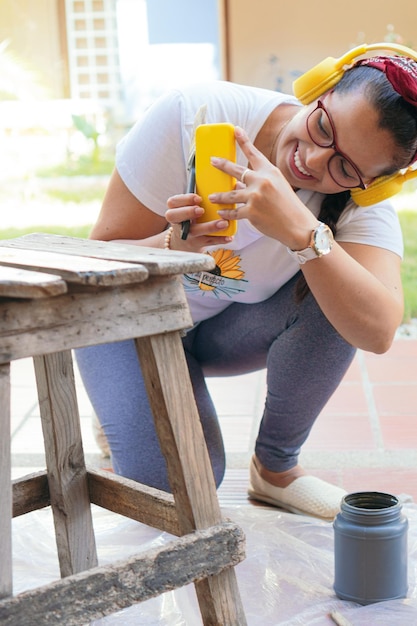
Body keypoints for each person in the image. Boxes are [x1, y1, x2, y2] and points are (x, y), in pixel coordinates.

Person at [76, 52, 417, 521]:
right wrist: (173, 243)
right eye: (323, 128)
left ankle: (275, 470)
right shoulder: (194, 116)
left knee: (345, 290)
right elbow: (94, 266)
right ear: (320, 89)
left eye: (345, 168)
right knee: (182, 485)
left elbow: (377, 329)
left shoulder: (358, 202)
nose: (313, 161)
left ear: (374, 185)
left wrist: (303, 233)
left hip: (219, 332)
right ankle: (126, 398)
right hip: (127, 321)